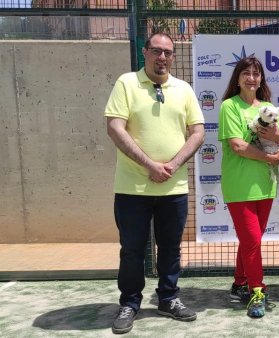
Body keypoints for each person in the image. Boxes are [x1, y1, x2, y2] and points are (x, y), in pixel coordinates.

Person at [104, 32, 205, 334]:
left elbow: (198, 132)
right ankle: (129, 304)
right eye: (157, 51)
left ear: (173, 57)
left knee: (171, 248)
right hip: (132, 189)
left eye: (168, 53)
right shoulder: (126, 84)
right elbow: (114, 127)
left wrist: (172, 166)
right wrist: (150, 165)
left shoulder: (183, 89)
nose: (163, 57)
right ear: (145, 52)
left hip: (173, 189)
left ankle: (169, 298)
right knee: (132, 250)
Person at [218, 57, 279, 318]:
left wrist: (275, 138)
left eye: (256, 74)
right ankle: (256, 291)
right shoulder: (229, 106)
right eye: (246, 73)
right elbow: (237, 145)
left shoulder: (269, 108)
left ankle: (239, 282)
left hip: (265, 185)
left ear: (261, 79)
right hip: (239, 187)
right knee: (252, 241)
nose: (252, 78)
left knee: (252, 242)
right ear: (237, 78)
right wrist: (269, 157)